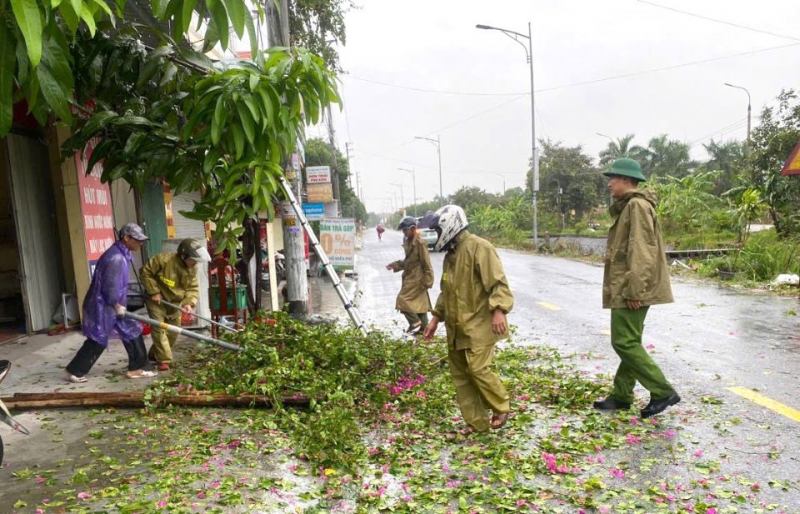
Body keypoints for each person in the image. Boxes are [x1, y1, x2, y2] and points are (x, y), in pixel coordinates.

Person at [593, 158, 680, 419]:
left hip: (631, 288)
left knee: (623, 341)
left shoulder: (636, 206)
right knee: (630, 341)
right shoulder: (630, 206)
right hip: (629, 285)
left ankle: (662, 391)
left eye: (614, 179)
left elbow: (642, 251)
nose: (609, 184)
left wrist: (635, 291)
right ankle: (621, 395)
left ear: (627, 181)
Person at [423, 205, 514, 434]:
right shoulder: (450, 256)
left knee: (478, 369)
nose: (435, 234)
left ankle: (501, 406)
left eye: (436, 229)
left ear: (449, 225)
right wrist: (435, 318)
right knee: (461, 376)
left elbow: (498, 283)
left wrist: (499, 311)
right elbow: (446, 292)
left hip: (479, 325)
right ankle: (477, 424)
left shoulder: (479, 248)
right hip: (457, 327)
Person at [65, 223, 157, 383]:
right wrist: (116, 305)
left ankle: (138, 367)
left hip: (108, 303)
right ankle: (76, 370)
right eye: (137, 240)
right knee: (101, 337)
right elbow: (111, 286)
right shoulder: (116, 258)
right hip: (105, 305)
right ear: (126, 238)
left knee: (130, 330)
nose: (140, 243)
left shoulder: (121, 253)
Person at [140, 238, 210, 371]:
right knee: (159, 328)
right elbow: (145, 272)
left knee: (173, 330)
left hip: (175, 303)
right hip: (157, 301)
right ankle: (164, 360)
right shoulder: (163, 260)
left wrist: (189, 303)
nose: (194, 263)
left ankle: (154, 355)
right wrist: (154, 291)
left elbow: (192, 288)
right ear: (184, 256)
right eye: (193, 260)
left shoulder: (191, 269)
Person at [386, 216, 434, 335]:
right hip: (410, 276)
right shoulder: (408, 241)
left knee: (402, 300)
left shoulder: (420, 243)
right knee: (420, 303)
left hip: (418, 278)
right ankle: (424, 329)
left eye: (405, 230)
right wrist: (396, 265)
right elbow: (408, 262)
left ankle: (415, 323)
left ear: (413, 229)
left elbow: (427, 264)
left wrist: (428, 280)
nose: (404, 232)